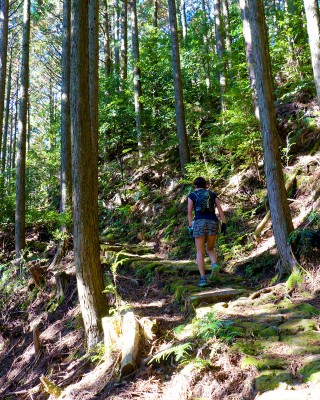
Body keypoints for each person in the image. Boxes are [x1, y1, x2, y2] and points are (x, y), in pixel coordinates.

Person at [187, 177, 226, 287]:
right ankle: (214, 265)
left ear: (195, 186)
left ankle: (203, 278)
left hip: (199, 223)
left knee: (200, 251)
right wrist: (224, 223)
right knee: (210, 248)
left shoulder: (192, 195)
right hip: (213, 222)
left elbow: (189, 213)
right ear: (205, 185)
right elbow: (220, 209)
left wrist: (190, 227)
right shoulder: (212, 194)